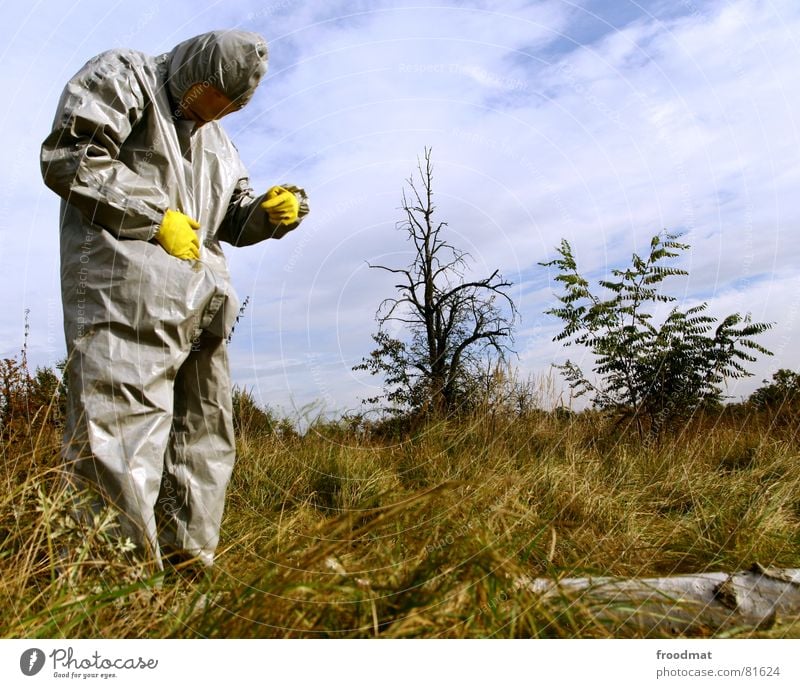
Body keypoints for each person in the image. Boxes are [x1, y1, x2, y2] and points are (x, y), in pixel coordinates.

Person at [40, 30, 308, 574]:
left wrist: (269, 212)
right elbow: (71, 156)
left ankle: (188, 570)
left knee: (204, 439)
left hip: (202, 306)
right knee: (120, 433)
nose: (212, 114)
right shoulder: (125, 75)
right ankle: (111, 583)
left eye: (228, 108)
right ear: (195, 68)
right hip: (123, 297)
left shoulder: (219, 142)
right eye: (211, 97)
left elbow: (229, 215)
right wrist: (152, 217)